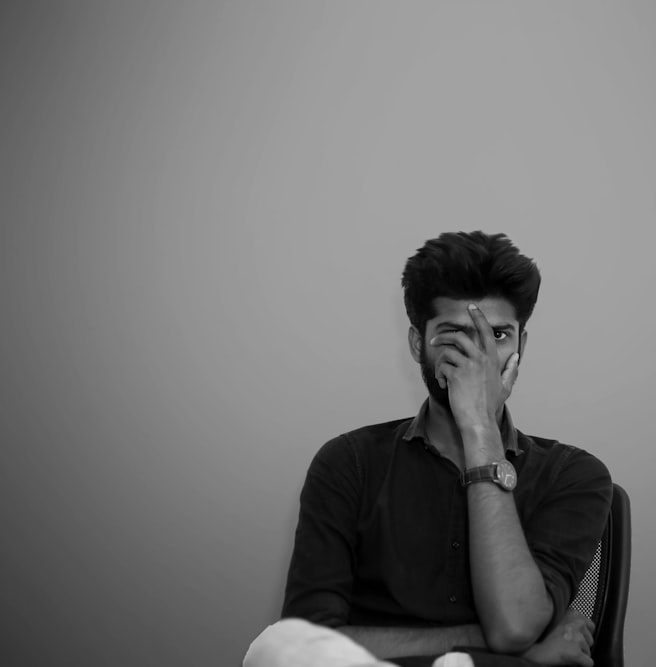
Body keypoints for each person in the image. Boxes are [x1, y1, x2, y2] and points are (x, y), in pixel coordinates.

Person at [245, 231, 612, 667]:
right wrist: (511, 648)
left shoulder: (573, 475)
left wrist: (480, 432)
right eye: (455, 334)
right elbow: (304, 645)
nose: (477, 356)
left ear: (521, 347)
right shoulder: (349, 462)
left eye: (497, 334)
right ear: (418, 344)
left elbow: (514, 623)